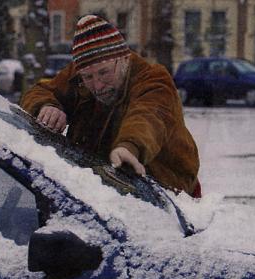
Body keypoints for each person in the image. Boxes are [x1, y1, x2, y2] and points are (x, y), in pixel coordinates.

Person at [20, 15, 201, 198]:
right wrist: (46, 106)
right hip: (100, 193)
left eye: (104, 73)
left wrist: (129, 147)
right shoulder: (81, 73)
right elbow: (38, 92)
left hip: (167, 199)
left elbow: (148, 116)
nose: (97, 86)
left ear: (124, 59)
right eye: (88, 77)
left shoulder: (154, 81)